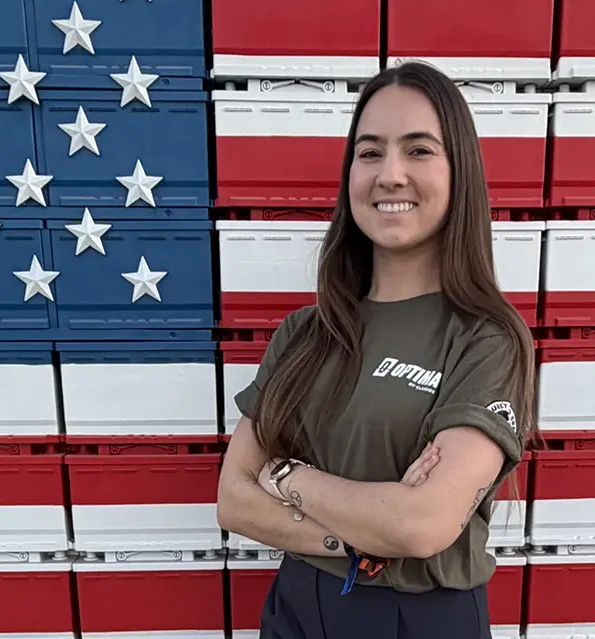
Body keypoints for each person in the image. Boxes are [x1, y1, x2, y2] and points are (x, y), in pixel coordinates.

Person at [215, 60, 537, 639]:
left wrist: (285, 474)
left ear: (458, 170)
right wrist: (359, 541)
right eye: (369, 152)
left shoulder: (488, 340)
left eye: (418, 150)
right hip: (295, 605)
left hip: (417, 616)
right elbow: (233, 501)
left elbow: (422, 524)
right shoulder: (304, 333)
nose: (390, 174)